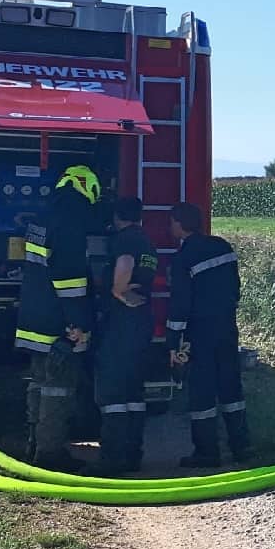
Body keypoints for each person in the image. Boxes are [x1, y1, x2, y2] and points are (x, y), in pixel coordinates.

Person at [15, 165, 99, 471]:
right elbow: (70, 280)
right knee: (58, 387)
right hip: (58, 325)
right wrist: (78, 325)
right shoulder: (71, 223)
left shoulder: (41, 219)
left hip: (33, 319)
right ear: (85, 189)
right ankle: (50, 455)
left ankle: (34, 445)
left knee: (38, 383)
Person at [165, 201, 245, 468]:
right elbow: (235, 289)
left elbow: (179, 305)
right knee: (231, 387)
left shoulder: (183, 259)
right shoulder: (222, 246)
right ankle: (242, 448)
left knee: (202, 392)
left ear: (178, 224)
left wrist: (173, 343)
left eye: (171, 222)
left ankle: (207, 453)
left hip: (200, 333)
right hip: (227, 327)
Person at [94, 196, 157, 474]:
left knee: (112, 388)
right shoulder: (146, 240)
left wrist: (117, 291)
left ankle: (112, 459)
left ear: (118, 217)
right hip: (141, 322)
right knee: (133, 390)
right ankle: (133, 455)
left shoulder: (125, 239)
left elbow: (125, 263)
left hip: (120, 322)